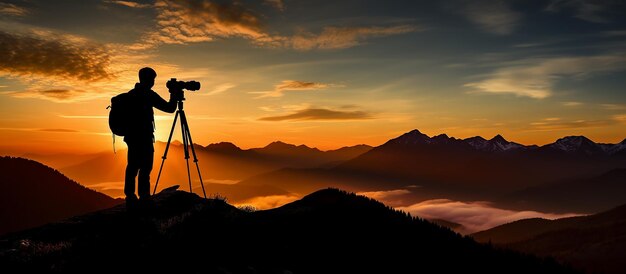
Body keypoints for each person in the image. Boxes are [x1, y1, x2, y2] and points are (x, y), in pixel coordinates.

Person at [124, 67, 180, 204]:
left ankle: (130, 196)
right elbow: (170, 108)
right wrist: (174, 94)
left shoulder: (131, 94)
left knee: (132, 166)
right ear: (148, 79)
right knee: (145, 167)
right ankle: (144, 196)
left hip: (131, 138)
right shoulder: (148, 95)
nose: (153, 82)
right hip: (144, 138)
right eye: (153, 79)